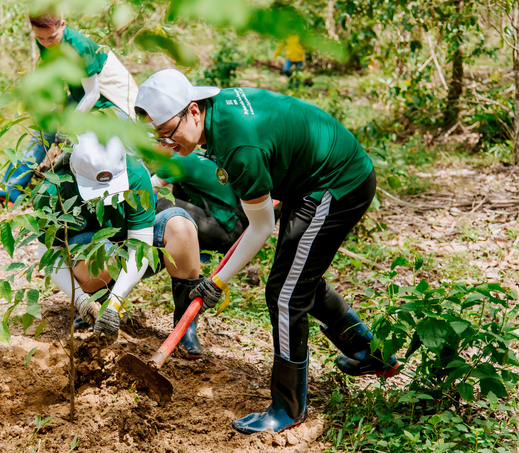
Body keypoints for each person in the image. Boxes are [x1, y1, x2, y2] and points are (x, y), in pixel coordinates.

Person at [134, 69, 400, 434]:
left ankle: (288, 408)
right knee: (297, 278)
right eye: (158, 137)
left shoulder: (239, 148)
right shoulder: (215, 115)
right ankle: (370, 353)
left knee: (286, 295)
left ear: (193, 111)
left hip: (336, 184)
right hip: (307, 180)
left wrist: (217, 282)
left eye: (169, 133)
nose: (166, 144)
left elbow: (260, 226)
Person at [35, 132, 206, 359]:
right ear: (75, 171)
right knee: (95, 258)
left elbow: (141, 246)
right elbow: (49, 257)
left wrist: (115, 305)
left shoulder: (135, 174)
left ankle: (185, 325)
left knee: (181, 227)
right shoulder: (53, 188)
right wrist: (80, 300)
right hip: (91, 253)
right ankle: (95, 304)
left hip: (129, 247)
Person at [0, 11, 138, 205]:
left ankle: (137, 192)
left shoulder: (80, 47)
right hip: (82, 96)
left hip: (111, 100)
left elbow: (93, 93)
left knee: (113, 146)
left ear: (62, 25)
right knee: (45, 129)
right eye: (41, 38)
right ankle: (10, 189)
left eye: (52, 37)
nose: (47, 43)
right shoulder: (45, 41)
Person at [151, 151, 247, 254]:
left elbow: (143, 190)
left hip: (229, 234)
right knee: (175, 196)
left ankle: (153, 250)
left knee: (165, 205)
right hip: (239, 230)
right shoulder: (195, 155)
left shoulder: (178, 161)